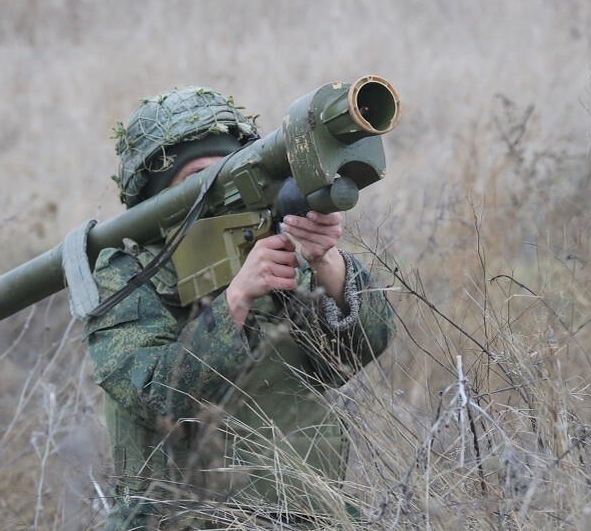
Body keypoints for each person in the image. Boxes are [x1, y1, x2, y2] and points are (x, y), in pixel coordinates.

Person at [86, 86, 394, 530]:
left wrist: (327, 263)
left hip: (301, 513)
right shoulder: (127, 273)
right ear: (157, 203)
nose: (214, 196)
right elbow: (160, 400)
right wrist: (235, 301)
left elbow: (350, 357)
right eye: (193, 181)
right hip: (175, 518)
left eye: (223, 175)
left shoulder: (274, 243)